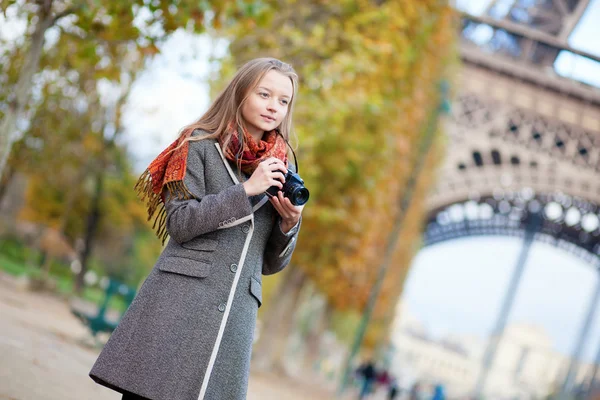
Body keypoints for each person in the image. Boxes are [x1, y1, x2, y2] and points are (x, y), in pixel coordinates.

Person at [89, 58, 305, 400]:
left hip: (233, 320)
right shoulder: (197, 145)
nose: (273, 106)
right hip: (179, 305)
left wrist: (290, 224)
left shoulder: (283, 168)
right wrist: (246, 191)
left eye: (283, 101)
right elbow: (180, 223)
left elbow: (268, 264)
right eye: (264, 94)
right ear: (241, 91)